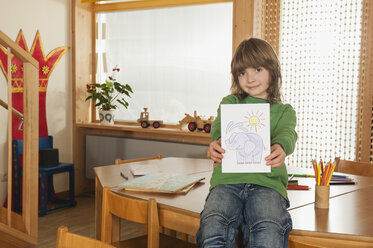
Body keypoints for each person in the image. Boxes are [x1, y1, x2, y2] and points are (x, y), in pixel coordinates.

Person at [196, 37, 297, 248]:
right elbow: (219, 128)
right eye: (243, 73)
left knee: (268, 229)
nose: (250, 78)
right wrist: (216, 142)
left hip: (267, 184)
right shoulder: (230, 102)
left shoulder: (284, 111)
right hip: (227, 182)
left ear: (273, 70)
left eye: (257, 69)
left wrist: (281, 146)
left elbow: (287, 133)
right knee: (213, 225)